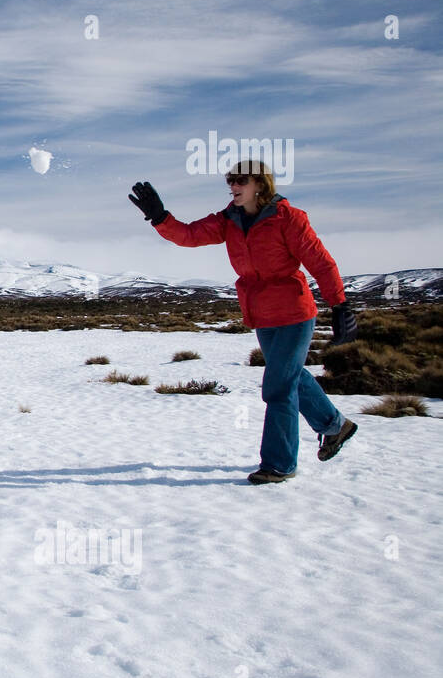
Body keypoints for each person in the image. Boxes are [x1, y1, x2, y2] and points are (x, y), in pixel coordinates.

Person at [129, 161, 358, 484]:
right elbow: (190, 235)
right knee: (291, 376)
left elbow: (321, 263)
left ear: (260, 185)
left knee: (278, 387)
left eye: (240, 180)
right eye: (230, 180)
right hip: (261, 313)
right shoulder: (230, 219)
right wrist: (159, 217)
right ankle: (336, 426)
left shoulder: (288, 218)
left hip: (294, 312)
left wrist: (340, 306)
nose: (232, 185)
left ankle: (279, 464)